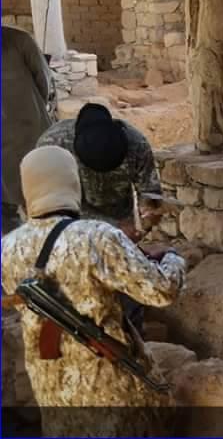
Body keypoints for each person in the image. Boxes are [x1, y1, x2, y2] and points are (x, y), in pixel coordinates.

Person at [1, 145, 185, 436]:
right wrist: (173, 257)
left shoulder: (7, 248)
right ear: (73, 183)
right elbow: (162, 291)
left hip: (53, 393)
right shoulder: (95, 236)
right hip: (111, 395)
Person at [36, 103, 160, 235]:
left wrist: (145, 223)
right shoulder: (52, 145)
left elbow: (150, 194)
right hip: (71, 229)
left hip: (120, 222)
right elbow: (47, 207)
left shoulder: (137, 145)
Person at [2, 26, 55, 234]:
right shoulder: (19, 40)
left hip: (26, 134)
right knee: (41, 201)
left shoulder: (19, 41)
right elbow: (44, 81)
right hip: (30, 131)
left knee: (7, 209)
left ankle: (15, 253)